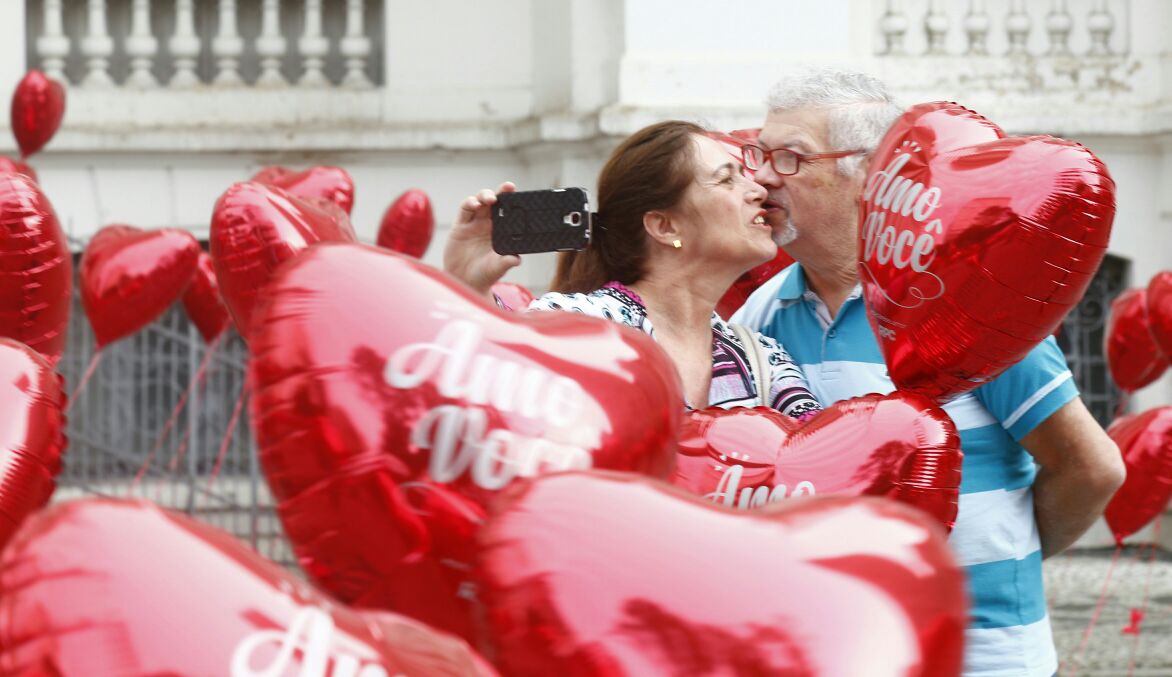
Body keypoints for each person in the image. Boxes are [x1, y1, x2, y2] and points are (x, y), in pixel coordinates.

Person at [731, 67, 1126, 677]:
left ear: (866, 173)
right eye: (759, 153)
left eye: (788, 157)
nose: (759, 175)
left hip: (983, 658)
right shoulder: (761, 312)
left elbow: (1091, 467)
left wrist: (996, 557)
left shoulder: (957, 301)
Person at [443, 120, 820, 418]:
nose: (757, 190)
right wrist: (469, 286)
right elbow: (494, 376)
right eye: (727, 179)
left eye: (744, 174)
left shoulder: (761, 357)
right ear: (665, 226)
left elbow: (824, 457)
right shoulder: (584, 328)